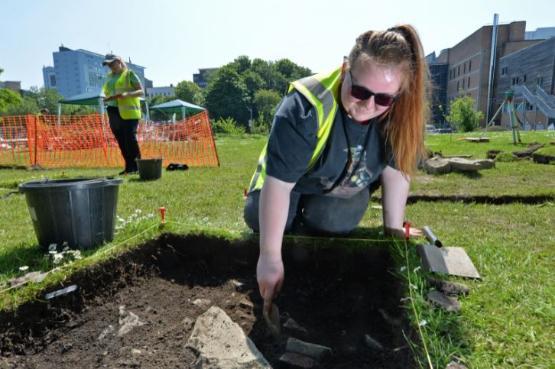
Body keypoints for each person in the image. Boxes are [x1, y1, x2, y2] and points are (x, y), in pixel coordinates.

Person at [243, 25, 429, 313]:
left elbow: (396, 172)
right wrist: (269, 257)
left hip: (341, 188)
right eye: (360, 91)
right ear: (345, 69)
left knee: (337, 222)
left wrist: (393, 232)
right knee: (260, 215)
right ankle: (289, 225)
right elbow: (278, 185)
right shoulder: (304, 106)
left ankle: (309, 227)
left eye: (383, 99)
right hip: (292, 182)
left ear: (398, 95)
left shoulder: (401, 114)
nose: (368, 105)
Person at [102, 54, 144, 174]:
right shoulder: (109, 77)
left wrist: (126, 95)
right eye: (108, 65)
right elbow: (106, 92)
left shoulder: (129, 74)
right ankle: (129, 167)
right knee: (121, 141)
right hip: (113, 110)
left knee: (130, 139)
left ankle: (138, 167)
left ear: (119, 61)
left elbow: (141, 91)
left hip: (129, 112)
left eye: (112, 63)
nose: (110, 66)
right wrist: (106, 98)